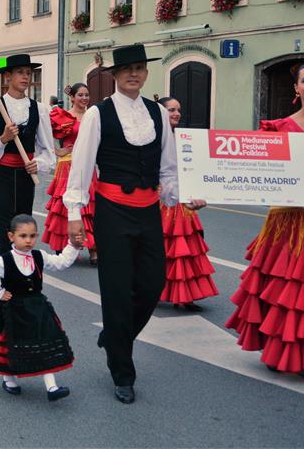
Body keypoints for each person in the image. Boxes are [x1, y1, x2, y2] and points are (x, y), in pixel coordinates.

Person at [64, 44, 205, 404]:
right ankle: (122, 371)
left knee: (153, 283)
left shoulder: (158, 113)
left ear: (146, 73)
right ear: (115, 74)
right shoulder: (98, 114)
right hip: (112, 210)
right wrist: (74, 213)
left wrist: (183, 196)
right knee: (115, 290)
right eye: (127, 68)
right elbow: (81, 166)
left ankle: (115, 334)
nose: (134, 74)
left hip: (147, 210)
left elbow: (168, 168)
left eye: (140, 68)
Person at [226, 61, 304, 375]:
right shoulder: (278, 129)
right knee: (290, 289)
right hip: (289, 223)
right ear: (296, 88)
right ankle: (285, 352)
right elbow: (251, 171)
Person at [0, 214, 77, 401]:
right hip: (12, 310)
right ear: (11, 236)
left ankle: (52, 387)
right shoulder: (4, 261)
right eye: (23, 236)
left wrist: (73, 246)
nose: (29, 240)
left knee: (44, 341)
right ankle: (9, 379)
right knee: (8, 344)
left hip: (38, 309)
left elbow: (61, 262)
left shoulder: (39, 256)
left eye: (32, 236)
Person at [0, 54, 56, 255]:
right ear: (8, 77)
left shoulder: (39, 109)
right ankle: (7, 275)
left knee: (24, 227)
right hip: (2, 174)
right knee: (6, 228)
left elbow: (48, 149)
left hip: (25, 175)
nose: (25, 77)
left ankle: (23, 271)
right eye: (20, 72)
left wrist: (37, 163)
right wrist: (3, 138)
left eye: (29, 73)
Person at [156, 96, 218, 311]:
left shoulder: (186, 139)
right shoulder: (153, 139)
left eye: (178, 110)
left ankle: (186, 295)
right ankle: (155, 290)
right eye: (171, 110)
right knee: (162, 248)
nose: (176, 113)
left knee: (185, 248)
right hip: (161, 201)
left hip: (184, 201)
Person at [42, 83, 98, 264]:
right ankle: (61, 243)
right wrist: (56, 151)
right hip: (67, 166)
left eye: (86, 95)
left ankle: (93, 248)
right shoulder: (62, 116)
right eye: (80, 95)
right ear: (72, 98)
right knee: (65, 207)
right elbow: (41, 135)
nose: (84, 98)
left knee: (90, 207)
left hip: (88, 167)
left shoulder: (94, 117)